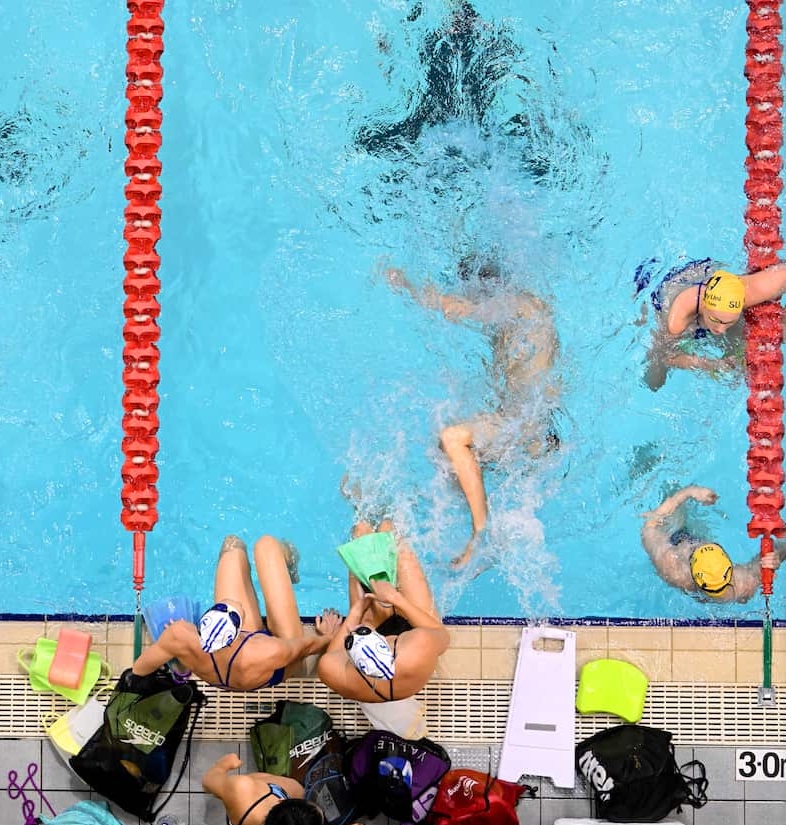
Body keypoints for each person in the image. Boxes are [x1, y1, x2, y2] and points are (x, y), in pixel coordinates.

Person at [385, 259, 560, 566]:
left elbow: (455, 309)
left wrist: (407, 285)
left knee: (453, 438)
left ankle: (483, 533)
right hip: (533, 427)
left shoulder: (518, 305)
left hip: (527, 430)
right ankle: (470, 509)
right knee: (444, 451)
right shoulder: (526, 313)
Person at [132, 535, 343, 691]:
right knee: (266, 546)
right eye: (237, 611)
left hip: (221, 666)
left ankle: (180, 668)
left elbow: (139, 669)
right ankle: (289, 562)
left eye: (226, 605)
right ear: (237, 632)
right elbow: (306, 648)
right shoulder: (271, 650)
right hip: (273, 668)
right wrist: (327, 636)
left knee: (232, 545)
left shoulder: (180, 635)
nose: (236, 604)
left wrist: (175, 655)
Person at [317, 518, 450, 704]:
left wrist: (356, 611)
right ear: (386, 642)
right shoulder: (417, 648)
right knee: (391, 534)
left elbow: (333, 653)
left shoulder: (332, 672)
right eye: (360, 631)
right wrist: (396, 598)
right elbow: (442, 636)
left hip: (377, 628)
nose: (353, 630)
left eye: (351, 638)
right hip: (409, 648)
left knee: (360, 531)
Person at [643, 259, 786, 389]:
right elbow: (666, 356)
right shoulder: (678, 320)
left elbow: (781, 274)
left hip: (715, 284)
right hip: (673, 289)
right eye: (716, 320)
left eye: (729, 322)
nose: (721, 330)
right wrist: (708, 364)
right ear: (705, 307)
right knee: (654, 381)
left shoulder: (747, 293)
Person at [641, 484, 779, 603]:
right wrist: (772, 559)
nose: (699, 544)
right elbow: (778, 549)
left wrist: (689, 492)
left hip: (675, 538)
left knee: (672, 490)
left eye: (696, 548)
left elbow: (649, 527)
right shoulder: (741, 585)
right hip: (685, 541)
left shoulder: (673, 569)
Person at [203, 752, 363, 825]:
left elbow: (208, 780)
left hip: (245, 807)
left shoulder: (241, 790)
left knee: (226, 792)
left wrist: (223, 765)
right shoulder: (240, 790)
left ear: (280, 802)